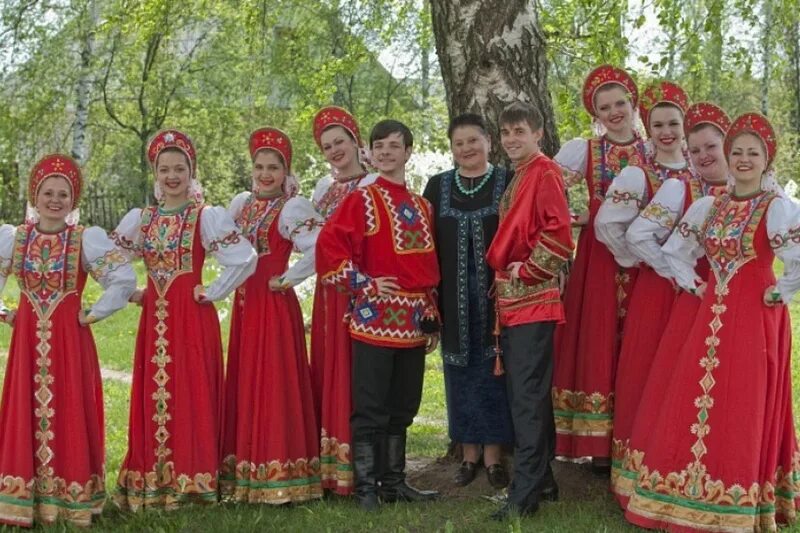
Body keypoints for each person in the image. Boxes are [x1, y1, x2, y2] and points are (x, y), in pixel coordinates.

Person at [624, 112, 800, 532]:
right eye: (736, 151)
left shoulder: (777, 208)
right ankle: (688, 493)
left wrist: (781, 291)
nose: (742, 159)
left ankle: (737, 499)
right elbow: (674, 251)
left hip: (754, 319)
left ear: (766, 159)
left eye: (752, 153)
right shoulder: (710, 205)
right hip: (708, 318)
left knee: (743, 401)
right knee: (696, 400)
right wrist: (692, 283)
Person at [111, 129, 256, 511]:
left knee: (193, 391)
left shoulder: (205, 216)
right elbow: (106, 262)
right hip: (154, 317)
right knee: (156, 393)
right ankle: (154, 480)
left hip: (192, 318)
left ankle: (193, 481)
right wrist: (130, 292)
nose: (172, 175)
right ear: (155, 174)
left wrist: (215, 290)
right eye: (164, 169)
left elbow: (244, 257)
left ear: (191, 173)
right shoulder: (141, 218)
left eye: (179, 168)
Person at [0, 154, 136, 527]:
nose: (55, 200)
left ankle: (71, 498)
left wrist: (93, 313)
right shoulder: (15, 238)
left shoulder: (84, 239)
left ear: (73, 201)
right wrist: (5, 312)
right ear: (35, 195)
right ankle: (25, 500)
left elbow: (123, 280)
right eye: (48, 192)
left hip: (70, 343)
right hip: (28, 342)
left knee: (70, 408)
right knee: (26, 408)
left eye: (64, 193)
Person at [316, 119, 440, 510]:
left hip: (413, 321)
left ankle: (393, 483)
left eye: (394, 145)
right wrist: (363, 283)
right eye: (379, 146)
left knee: (404, 405)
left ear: (408, 152)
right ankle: (366, 488)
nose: (386, 152)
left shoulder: (423, 206)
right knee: (370, 406)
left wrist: (432, 313)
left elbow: (426, 268)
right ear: (369, 152)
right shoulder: (361, 200)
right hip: (374, 319)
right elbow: (329, 247)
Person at [612, 103, 732, 505]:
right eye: (695, 150)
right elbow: (639, 236)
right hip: (694, 298)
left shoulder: (756, 190)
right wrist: (682, 276)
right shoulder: (683, 188)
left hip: (738, 303)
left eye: (710, 147)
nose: (703, 156)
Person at [594, 81, 694, 494]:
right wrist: (640, 261)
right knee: (646, 368)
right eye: (658, 125)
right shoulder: (640, 173)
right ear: (647, 129)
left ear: (684, 127)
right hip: (655, 284)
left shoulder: (702, 168)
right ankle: (637, 463)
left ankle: (678, 455)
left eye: (673, 124)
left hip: (693, 290)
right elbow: (606, 226)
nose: (666, 132)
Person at [550, 65, 647, 468]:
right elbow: (548, 190)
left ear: (633, 104)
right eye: (604, 106)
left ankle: (635, 436)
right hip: (598, 259)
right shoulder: (585, 150)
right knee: (600, 339)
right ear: (596, 113)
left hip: (646, 260)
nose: (614, 112)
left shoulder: (653, 151)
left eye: (620, 103)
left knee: (638, 342)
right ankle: (600, 446)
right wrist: (582, 212)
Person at [221, 127, 323, 504]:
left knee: (276, 381)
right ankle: (247, 472)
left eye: (273, 168)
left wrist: (288, 277)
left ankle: (283, 471)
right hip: (247, 305)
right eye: (259, 166)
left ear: (285, 172)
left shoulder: (291, 207)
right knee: (248, 379)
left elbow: (319, 247)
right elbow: (222, 248)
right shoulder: (239, 205)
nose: (265, 174)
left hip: (274, 304)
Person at [486, 101, 574, 520]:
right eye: (505, 133)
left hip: (532, 300)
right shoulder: (523, 173)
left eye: (519, 131)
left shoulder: (545, 171)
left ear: (538, 133)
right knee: (528, 396)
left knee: (526, 397)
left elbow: (558, 233)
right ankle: (543, 480)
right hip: (516, 303)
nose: (511, 140)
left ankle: (524, 496)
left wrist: (530, 270)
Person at [422, 113, 513, 489]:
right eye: (459, 143)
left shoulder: (508, 180)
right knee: (459, 371)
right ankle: (469, 454)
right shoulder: (437, 185)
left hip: (499, 299)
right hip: (453, 298)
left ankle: (494, 458)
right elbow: (423, 244)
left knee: (495, 371)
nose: (467, 149)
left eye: (473, 141)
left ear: (489, 141)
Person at [309, 106, 376, 495]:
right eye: (327, 146)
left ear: (356, 142)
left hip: (361, 290)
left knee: (357, 373)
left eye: (340, 142)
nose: (335, 150)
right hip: (327, 293)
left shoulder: (371, 186)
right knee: (330, 365)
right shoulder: (323, 190)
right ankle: (329, 466)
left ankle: (362, 468)